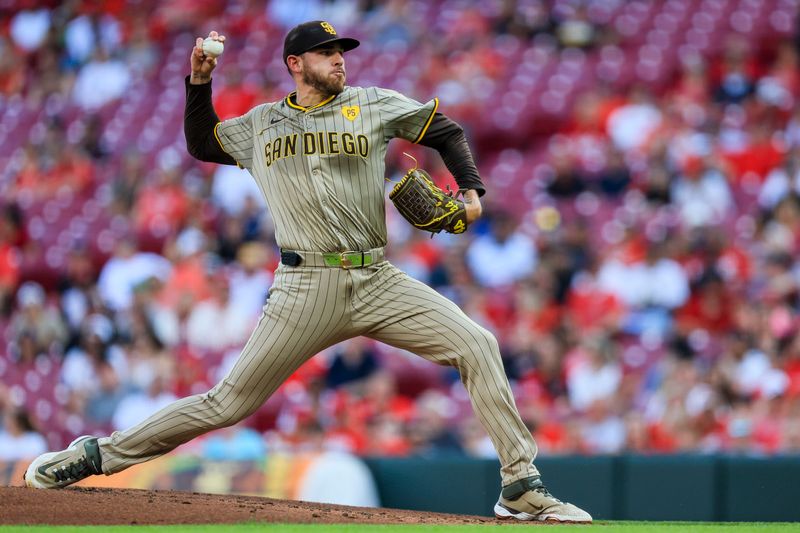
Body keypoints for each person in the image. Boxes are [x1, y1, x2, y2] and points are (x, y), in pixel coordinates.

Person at [24, 21, 591, 523]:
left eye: (341, 50)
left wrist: (470, 189)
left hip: (377, 279)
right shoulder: (263, 124)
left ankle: (521, 487)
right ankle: (94, 455)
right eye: (326, 52)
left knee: (478, 344)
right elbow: (202, 143)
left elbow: (445, 130)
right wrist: (199, 83)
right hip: (304, 286)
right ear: (295, 64)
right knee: (227, 404)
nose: (339, 58)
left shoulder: (371, 102)